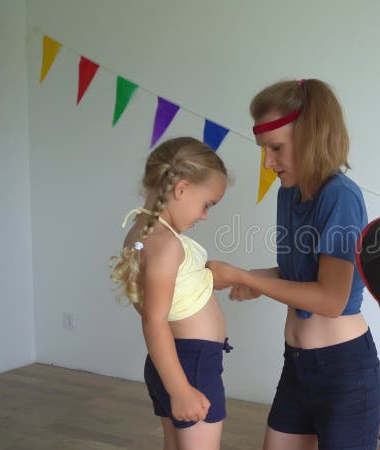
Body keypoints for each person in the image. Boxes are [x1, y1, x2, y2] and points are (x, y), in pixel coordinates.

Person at [207, 78, 380, 450]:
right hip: (298, 364)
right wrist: (255, 279)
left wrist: (241, 275)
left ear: (312, 137)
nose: (268, 163)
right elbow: (298, 274)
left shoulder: (340, 197)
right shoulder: (289, 193)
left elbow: (331, 300)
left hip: (343, 368)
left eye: (276, 148)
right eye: (264, 150)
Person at [110, 137, 231, 450]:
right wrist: (180, 389)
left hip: (175, 359)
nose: (204, 215)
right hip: (190, 364)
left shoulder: (141, 234)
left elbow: (154, 279)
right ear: (181, 189)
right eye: (207, 205)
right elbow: (154, 319)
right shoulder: (165, 243)